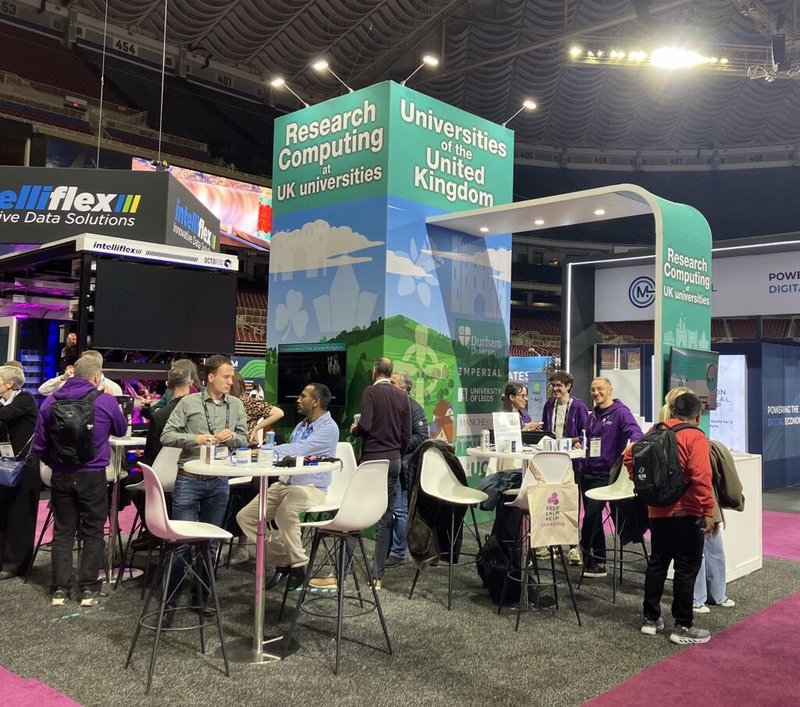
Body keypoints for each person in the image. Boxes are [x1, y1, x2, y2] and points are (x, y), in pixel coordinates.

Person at [33, 354, 127, 606]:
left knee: (63, 532)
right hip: (93, 475)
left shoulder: (50, 401)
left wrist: (55, 463)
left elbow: (39, 444)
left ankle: (60, 589)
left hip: (61, 475)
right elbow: (120, 429)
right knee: (92, 531)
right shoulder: (105, 400)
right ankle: (88, 588)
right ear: (97, 376)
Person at [160, 355, 248, 618]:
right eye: (226, 377)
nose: (231, 382)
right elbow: (167, 434)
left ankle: (201, 596)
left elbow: (244, 439)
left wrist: (233, 437)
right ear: (210, 377)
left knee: (210, 544)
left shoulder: (236, 406)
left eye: (232, 377)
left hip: (219, 481)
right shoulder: (189, 403)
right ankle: (170, 602)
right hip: (189, 479)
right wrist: (195, 438)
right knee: (182, 544)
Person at [625, 391, 715, 644]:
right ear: (697, 415)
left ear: (673, 410)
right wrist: (707, 510)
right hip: (687, 511)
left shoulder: (655, 431)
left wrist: (645, 484)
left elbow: (629, 457)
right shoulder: (695, 436)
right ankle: (683, 626)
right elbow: (701, 477)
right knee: (686, 568)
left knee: (658, 563)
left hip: (657, 511)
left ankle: (650, 619)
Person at [236, 383, 338, 590]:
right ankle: (285, 559)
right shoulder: (302, 425)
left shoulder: (329, 428)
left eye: (303, 396)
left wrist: (265, 450)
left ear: (316, 402)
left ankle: (299, 564)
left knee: (285, 512)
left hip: (311, 487)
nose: (298, 400)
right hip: (285, 483)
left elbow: (301, 449)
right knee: (245, 517)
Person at [657, 387, 740, 614]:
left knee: (712, 548)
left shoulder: (686, 434)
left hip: (700, 500)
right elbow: (699, 474)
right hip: (689, 502)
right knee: (694, 554)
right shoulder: (673, 432)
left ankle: (717, 594)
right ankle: (698, 598)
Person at [350, 357, 411, 588]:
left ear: (375, 371)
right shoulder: (402, 396)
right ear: (391, 372)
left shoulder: (370, 393)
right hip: (393, 460)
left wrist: (356, 430)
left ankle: (342, 569)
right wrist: (396, 452)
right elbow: (406, 434)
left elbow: (365, 425)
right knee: (386, 517)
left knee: (355, 512)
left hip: (372, 460)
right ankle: (377, 575)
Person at [580, 377, 642, 578]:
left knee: (590, 516)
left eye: (600, 389)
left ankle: (585, 548)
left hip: (606, 475)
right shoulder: (593, 414)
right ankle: (599, 561)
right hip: (587, 471)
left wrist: (627, 453)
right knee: (593, 517)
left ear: (609, 390)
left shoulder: (621, 413)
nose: (596, 393)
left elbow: (637, 435)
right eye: (592, 389)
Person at [130, 364, 194, 551]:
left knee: (133, 480)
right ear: (190, 383)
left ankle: (155, 530)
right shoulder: (200, 414)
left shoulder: (160, 417)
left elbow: (151, 458)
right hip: (194, 476)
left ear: (167, 384)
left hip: (162, 479)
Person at [227, 370, 284, 564]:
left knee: (241, 497)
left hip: (241, 458)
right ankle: (238, 546)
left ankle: (240, 547)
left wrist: (257, 428)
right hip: (233, 456)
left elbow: (278, 412)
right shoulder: (229, 403)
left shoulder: (244, 402)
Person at [537, 370, 590, 566]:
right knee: (552, 503)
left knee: (570, 504)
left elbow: (585, 435)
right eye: (553, 385)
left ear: (568, 386)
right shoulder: (548, 405)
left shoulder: (579, 407)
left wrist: (569, 442)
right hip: (551, 461)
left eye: (559, 385)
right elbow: (546, 431)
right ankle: (550, 543)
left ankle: (573, 547)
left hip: (571, 463)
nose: (555, 389)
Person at [385, 371, 429, 568]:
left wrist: (397, 445)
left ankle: (398, 552)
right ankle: (388, 549)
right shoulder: (387, 407)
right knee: (388, 510)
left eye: (393, 383)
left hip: (402, 467)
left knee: (400, 511)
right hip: (387, 464)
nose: (388, 386)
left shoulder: (414, 409)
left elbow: (421, 436)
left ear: (406, 389)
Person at [0, 365, 39, 579]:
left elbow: (7, 414)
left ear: (9, 384)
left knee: (20, 515)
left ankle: (16, 564)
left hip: (25, 466)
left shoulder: (25, 400)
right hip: (4, 464)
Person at [230, 370, 284, 446]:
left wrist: (256, 428)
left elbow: (279, 413)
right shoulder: (228, 401)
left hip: (245, 447)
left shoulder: (247, 402)